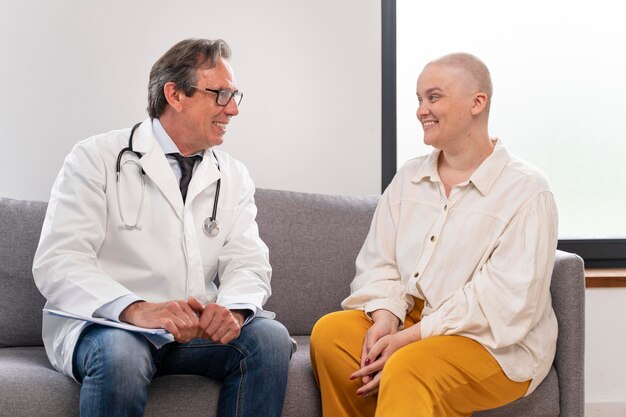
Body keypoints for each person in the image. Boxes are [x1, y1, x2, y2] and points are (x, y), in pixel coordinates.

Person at [33, 38, 294, 417]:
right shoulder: (95, 158)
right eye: (221, 94)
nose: (233, 109)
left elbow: (248, 262)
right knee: (121, 356)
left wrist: (233, 310)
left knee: (270, 339)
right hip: (111, 327)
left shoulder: (232, 175)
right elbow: (59, 261)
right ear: (175, 94)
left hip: (193, 332)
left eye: (236, 96)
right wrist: (136, 309)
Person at [310, 52, 558, 417]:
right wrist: (385, 319)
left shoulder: (527, 190)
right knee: (330, 335)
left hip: (493, 343)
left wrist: (410, 339)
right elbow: (380, 263)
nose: (421, 110)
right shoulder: (409, 178)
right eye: (419, 99)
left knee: (410, 367)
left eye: (433, 97)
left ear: (477, 102)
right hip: (415, 321)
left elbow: (504, 303)